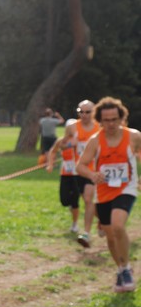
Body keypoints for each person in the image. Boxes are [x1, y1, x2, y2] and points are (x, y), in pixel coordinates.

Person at [76, 97, 141, 292]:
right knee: (111, 237)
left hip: (126, 188)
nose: (111, 124)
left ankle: (127, 270)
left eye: (115, 119)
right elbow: (80, 166)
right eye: (106, 120)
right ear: (100, 120)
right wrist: (92, 174)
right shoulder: (95, 141)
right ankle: (122, 268)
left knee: (118, 226)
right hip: (103, 193)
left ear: (122, 118)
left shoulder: (134, 136)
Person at [63, 100, 100, 247]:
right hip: (80, 169)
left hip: (95, 170)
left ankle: (86, 233)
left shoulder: (99, 127)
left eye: (88, 112)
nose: (84, 115)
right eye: (81, 111)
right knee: (87, 200)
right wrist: (72, 143)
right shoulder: (72, 127)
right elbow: (63, 144)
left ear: (94, 112)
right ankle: (103, 220)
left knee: (88, 200)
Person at [47, 119, 80, 233]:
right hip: (65, 173)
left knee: (75, 199)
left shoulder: (80, 140)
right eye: (70, 127)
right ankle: (71, 207)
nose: (73, 129)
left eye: (75, 127)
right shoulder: (62, 141)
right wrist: (50, 164)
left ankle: (75, 223)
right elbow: (53, 151)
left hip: (77, 174)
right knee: (64, 200)